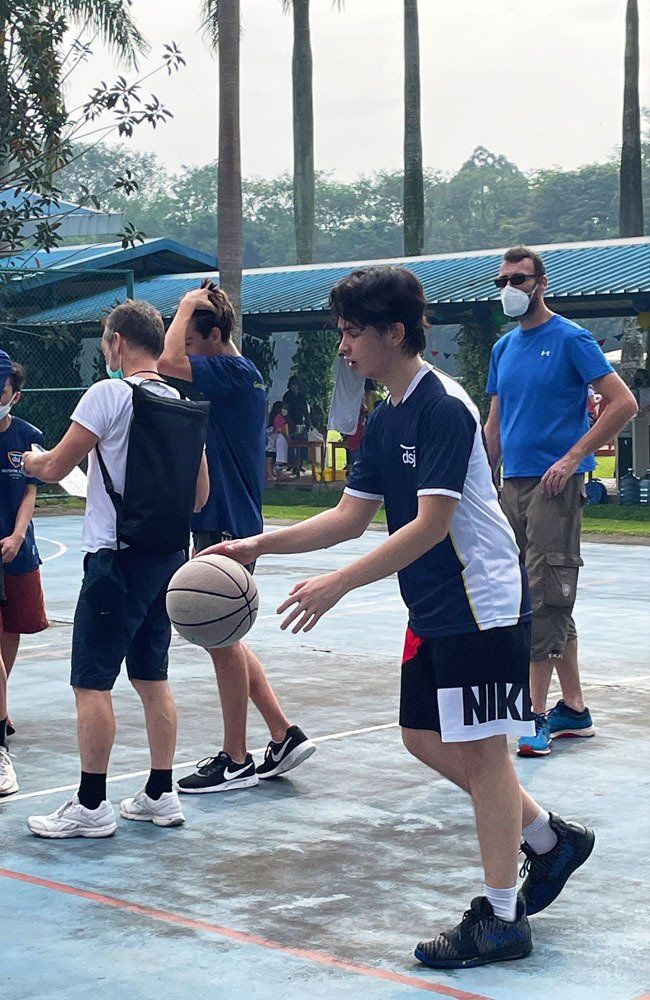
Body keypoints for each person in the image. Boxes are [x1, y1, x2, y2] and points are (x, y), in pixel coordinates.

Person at [206, 266, 595, 969]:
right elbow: (351, 515)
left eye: (353, 332)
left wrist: (339, 587)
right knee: (422, 737)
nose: (345, 345)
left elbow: (429, 524)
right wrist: (258, 541)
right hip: (436, 603)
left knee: (485, 756)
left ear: (393, 330)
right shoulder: (385, 416)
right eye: (341, 332)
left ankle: (503, 920)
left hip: (481, 603)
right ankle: (546, 839)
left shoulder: (441, 405)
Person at [23, 300, 209, 837]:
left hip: (115, 559)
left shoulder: (108, 393)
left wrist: (30, 460)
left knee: (92, 682)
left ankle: (91, 803)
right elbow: (200, 497)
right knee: (153, 677)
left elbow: (58, 464)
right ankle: (160, 792)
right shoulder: (181, 402)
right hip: (168, 559)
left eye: (106, 341)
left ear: (118, 342)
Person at [159, 281, 315, 794]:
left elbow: (165, 364)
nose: (186, 347)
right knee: (226, 635)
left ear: (216, 334)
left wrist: (184, 306)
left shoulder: (233, 369)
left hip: (227, 520)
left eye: (192, 337)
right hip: (224, 516)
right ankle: (282, 733)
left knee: (218, 636)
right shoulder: (231, 376)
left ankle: (235, 758)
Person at [484, 246, 638, 757]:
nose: (510, 286)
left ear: (541, 283)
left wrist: (572, 458)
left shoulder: (571, 339)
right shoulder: (503, 348)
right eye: (504, 278)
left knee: (545, 594)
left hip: (555, 486)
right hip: (512, 487)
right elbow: (495, 421)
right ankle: (574, 707)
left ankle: (535, 713)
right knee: (534, 595)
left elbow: (623, 403)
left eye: (520, 278)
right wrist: (484, 478)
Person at [0, 361, 49, 795]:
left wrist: (16, 536)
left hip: (16, 549)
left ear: (15, 394)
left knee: (14, 627)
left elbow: (29, 492)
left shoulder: (27, 437)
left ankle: (2, 702)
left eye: (3, 390)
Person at [283, 375, 310, 474]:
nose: (295, 386)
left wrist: (307, 420)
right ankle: (293, 464)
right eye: (293, 384)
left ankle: (300, 463)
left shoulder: (301, 396)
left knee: (302, 442)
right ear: (290, 385)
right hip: (291, 421)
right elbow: (285, 408)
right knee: (292, 443)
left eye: (297, 384)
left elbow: (305, 408)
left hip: (300, 421)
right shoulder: (287, 395)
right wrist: (289, 421)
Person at [266, 401, 292, 483]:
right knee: (272, 456)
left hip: (274, 439)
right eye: (283, 408)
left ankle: (275, 473)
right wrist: (288, 439)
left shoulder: (278, 417)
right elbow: (281, 429)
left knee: (273, 457)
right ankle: (271, 474)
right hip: (274, 439)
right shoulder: (278, 417)